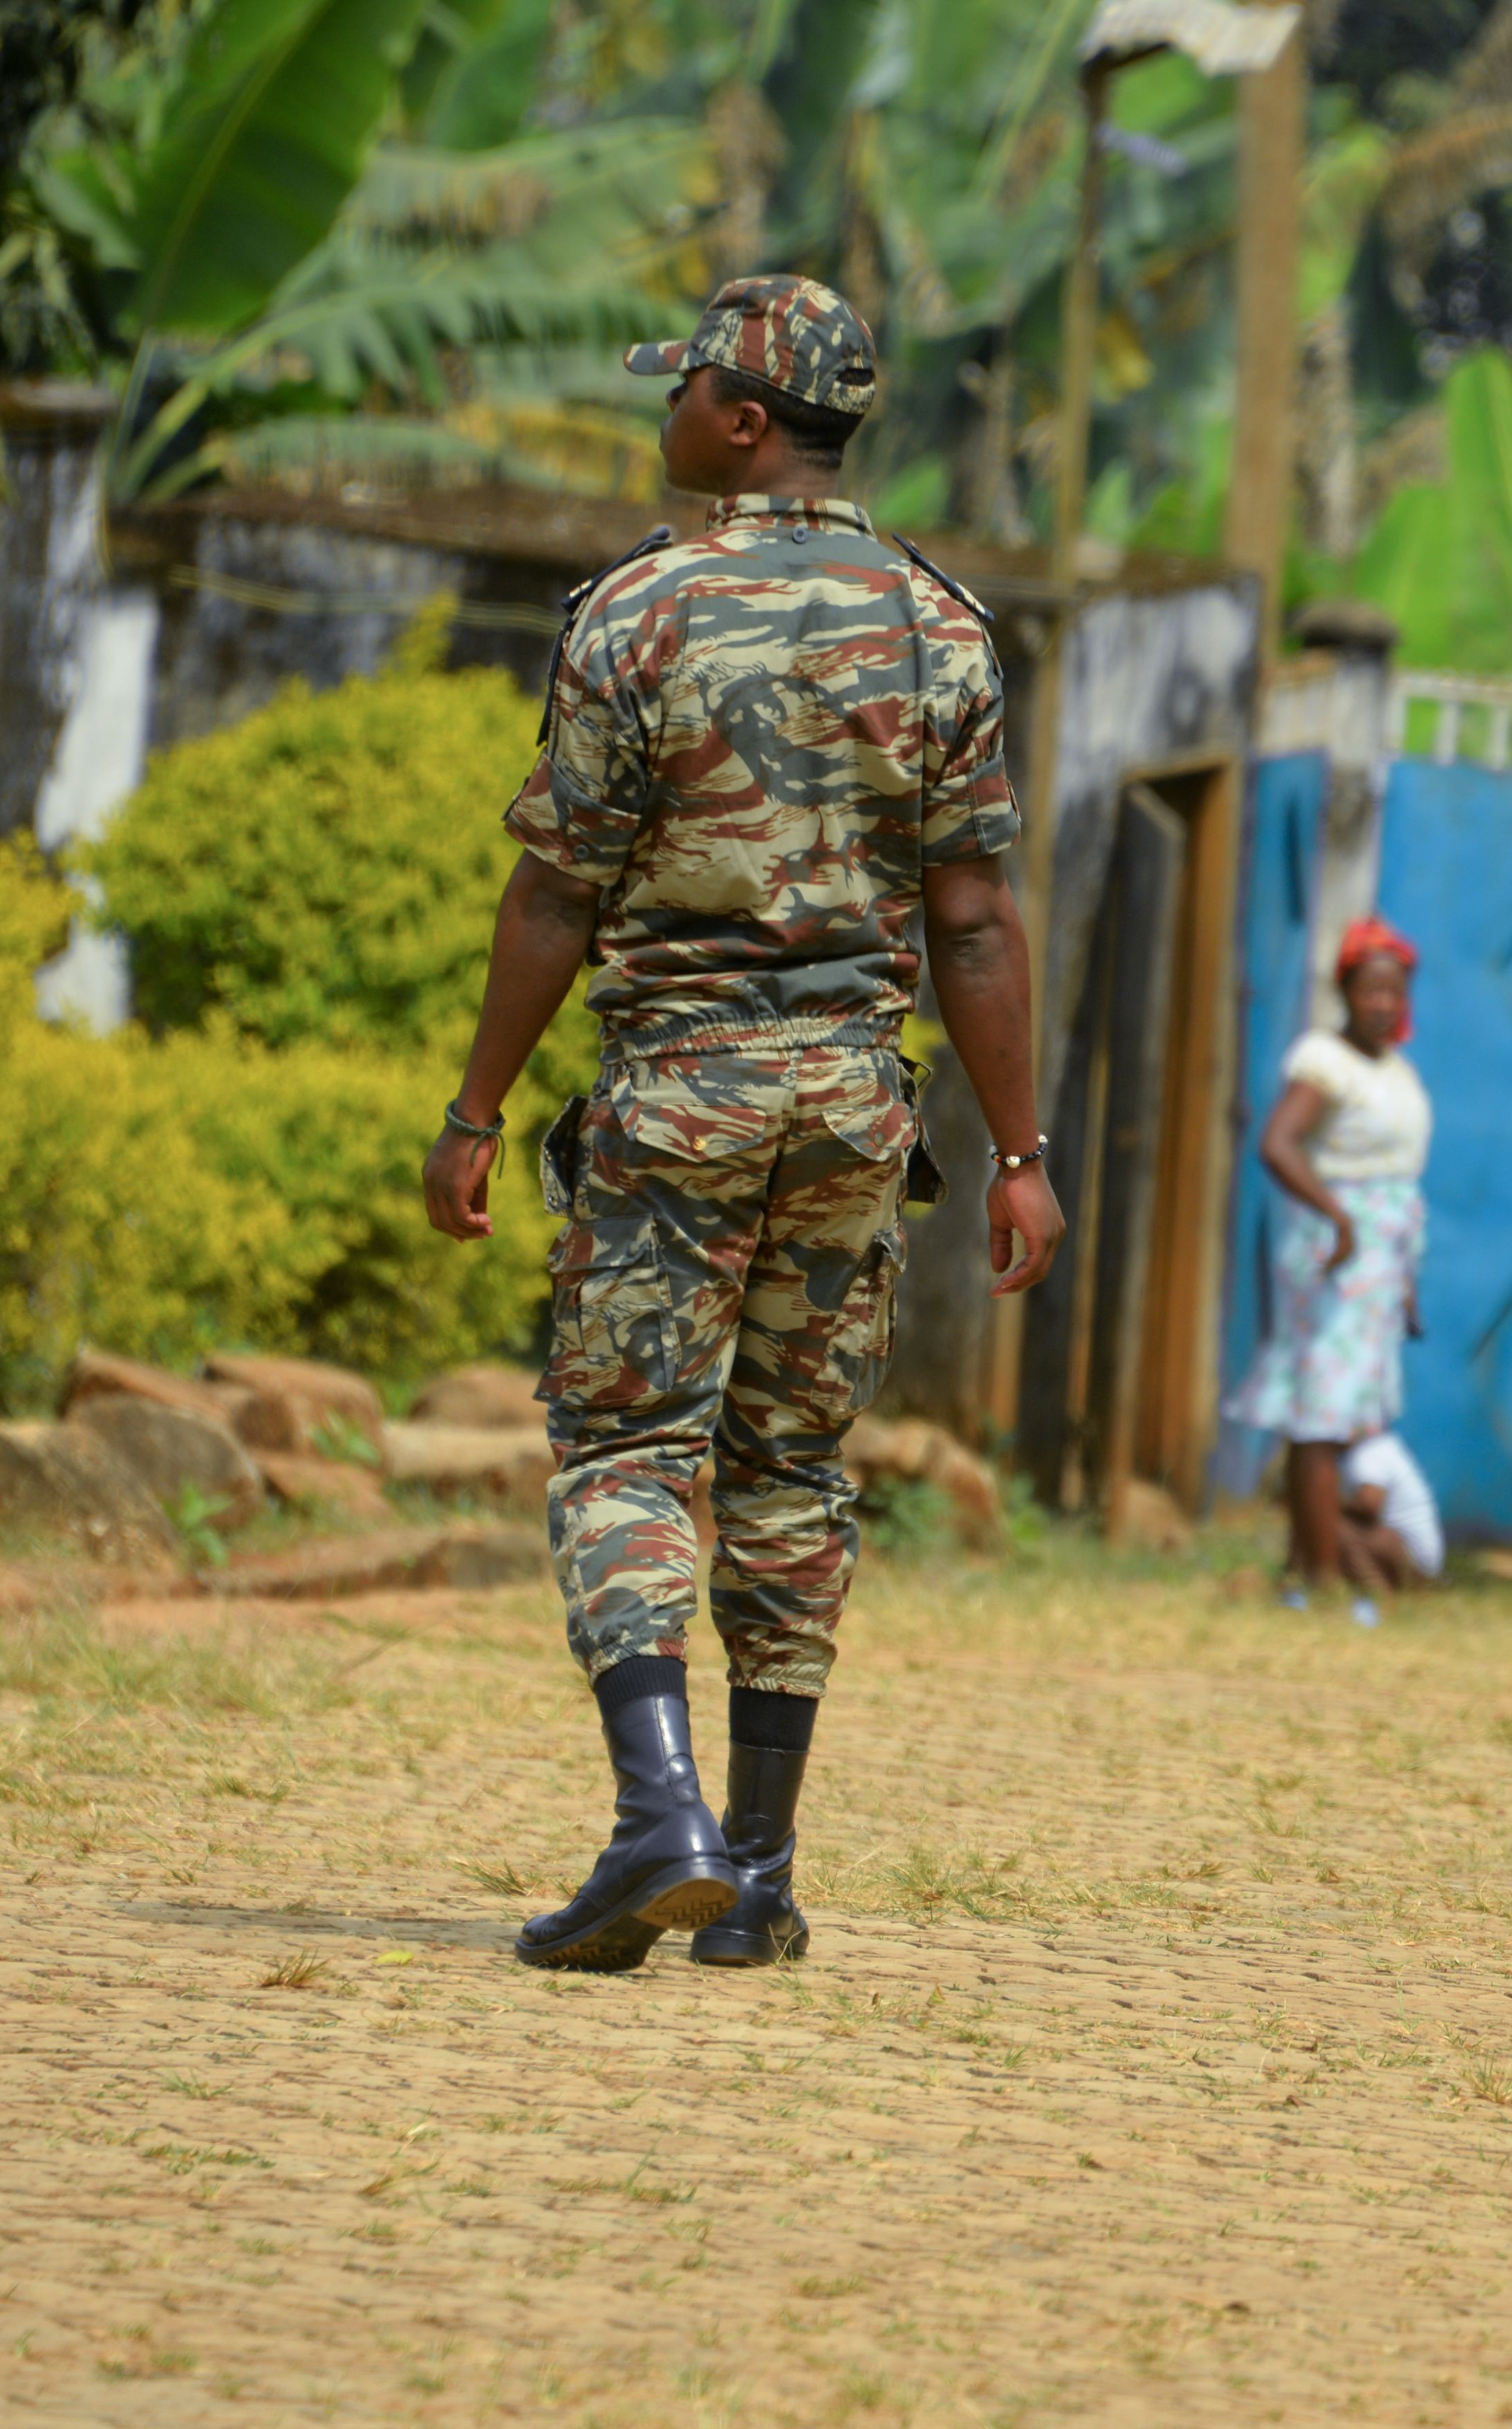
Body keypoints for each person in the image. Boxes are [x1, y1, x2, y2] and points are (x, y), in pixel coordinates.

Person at [422, 273, 1064, 1974]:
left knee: (628, 1451)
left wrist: (474, 1107)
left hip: (682, 1091)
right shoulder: (940, 626)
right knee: (790, 1464)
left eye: (683, 385)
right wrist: (1021, 1154)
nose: (667, 410)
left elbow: (555, 893)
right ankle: (758, 1872)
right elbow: (977, 915)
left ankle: (659, 1817)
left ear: (739, 419)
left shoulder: (637, 612)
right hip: (858, 1103)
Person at [1229, 918, 1431, 1622]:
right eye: (1371, 988)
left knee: (1345, 1413)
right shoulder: (1325, 1058)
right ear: (1345, 988)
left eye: (1396, 991)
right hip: (1336, 1258)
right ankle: (1318, 1572)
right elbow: (1278, 1144)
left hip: (1379, 1264)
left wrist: (1405, 1279)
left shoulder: (1395, 1068)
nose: (1384, 1003)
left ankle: (1303, 1562)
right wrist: (1341, 1219)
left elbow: (1399, 1179)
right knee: (1318, 1413)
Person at [1337, 1427, 1445, 1595]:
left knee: (1337, 1528)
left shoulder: (1369, 1452)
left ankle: (1376, 1591)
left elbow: (1369, 1504)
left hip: (1412, 1559)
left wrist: (1328, 1505)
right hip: (1416, 1559)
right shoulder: (1379, 1446)